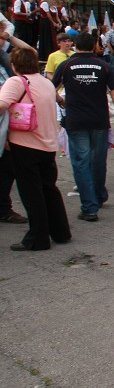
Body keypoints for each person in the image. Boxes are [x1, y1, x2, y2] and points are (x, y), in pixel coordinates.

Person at [52, 32, 114, 222]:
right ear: (95, 45)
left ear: (75, 46)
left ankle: (89, 207)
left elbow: (49, 88)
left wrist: (61, 101)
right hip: (99, 120)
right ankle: (98, 195)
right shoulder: (103, 65)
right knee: (97, 160)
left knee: (81, 163)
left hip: (76, 121)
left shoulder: (66, 65)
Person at [0, 47, 71, 250]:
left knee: (32, 193)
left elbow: (2, 104)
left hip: (25, 144)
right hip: (47, 142)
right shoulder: (45, 82)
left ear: (14, 65)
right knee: (49, 188)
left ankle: (37, 238)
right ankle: (60, 231)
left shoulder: (16, 82)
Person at [0, 27, 31, 225]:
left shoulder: (5, 61)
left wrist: (9, 37)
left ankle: (4, 208)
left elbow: (30, 53)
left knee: (7, 168)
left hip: (8, 124)